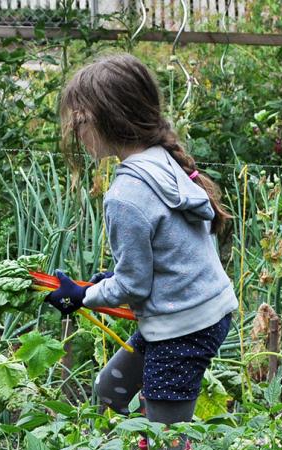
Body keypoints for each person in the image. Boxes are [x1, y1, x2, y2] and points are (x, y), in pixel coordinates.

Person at [43, 53, 238, 426]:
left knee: (168, 434)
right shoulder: (158, 158)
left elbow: (134, 284)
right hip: (197, 310)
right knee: (109, 388)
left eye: (80, 121)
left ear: (108, 119)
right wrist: (101, 285)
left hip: (183, 325)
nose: (76, 133)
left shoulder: (126, 195)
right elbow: (160, 256)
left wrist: (83, 296)